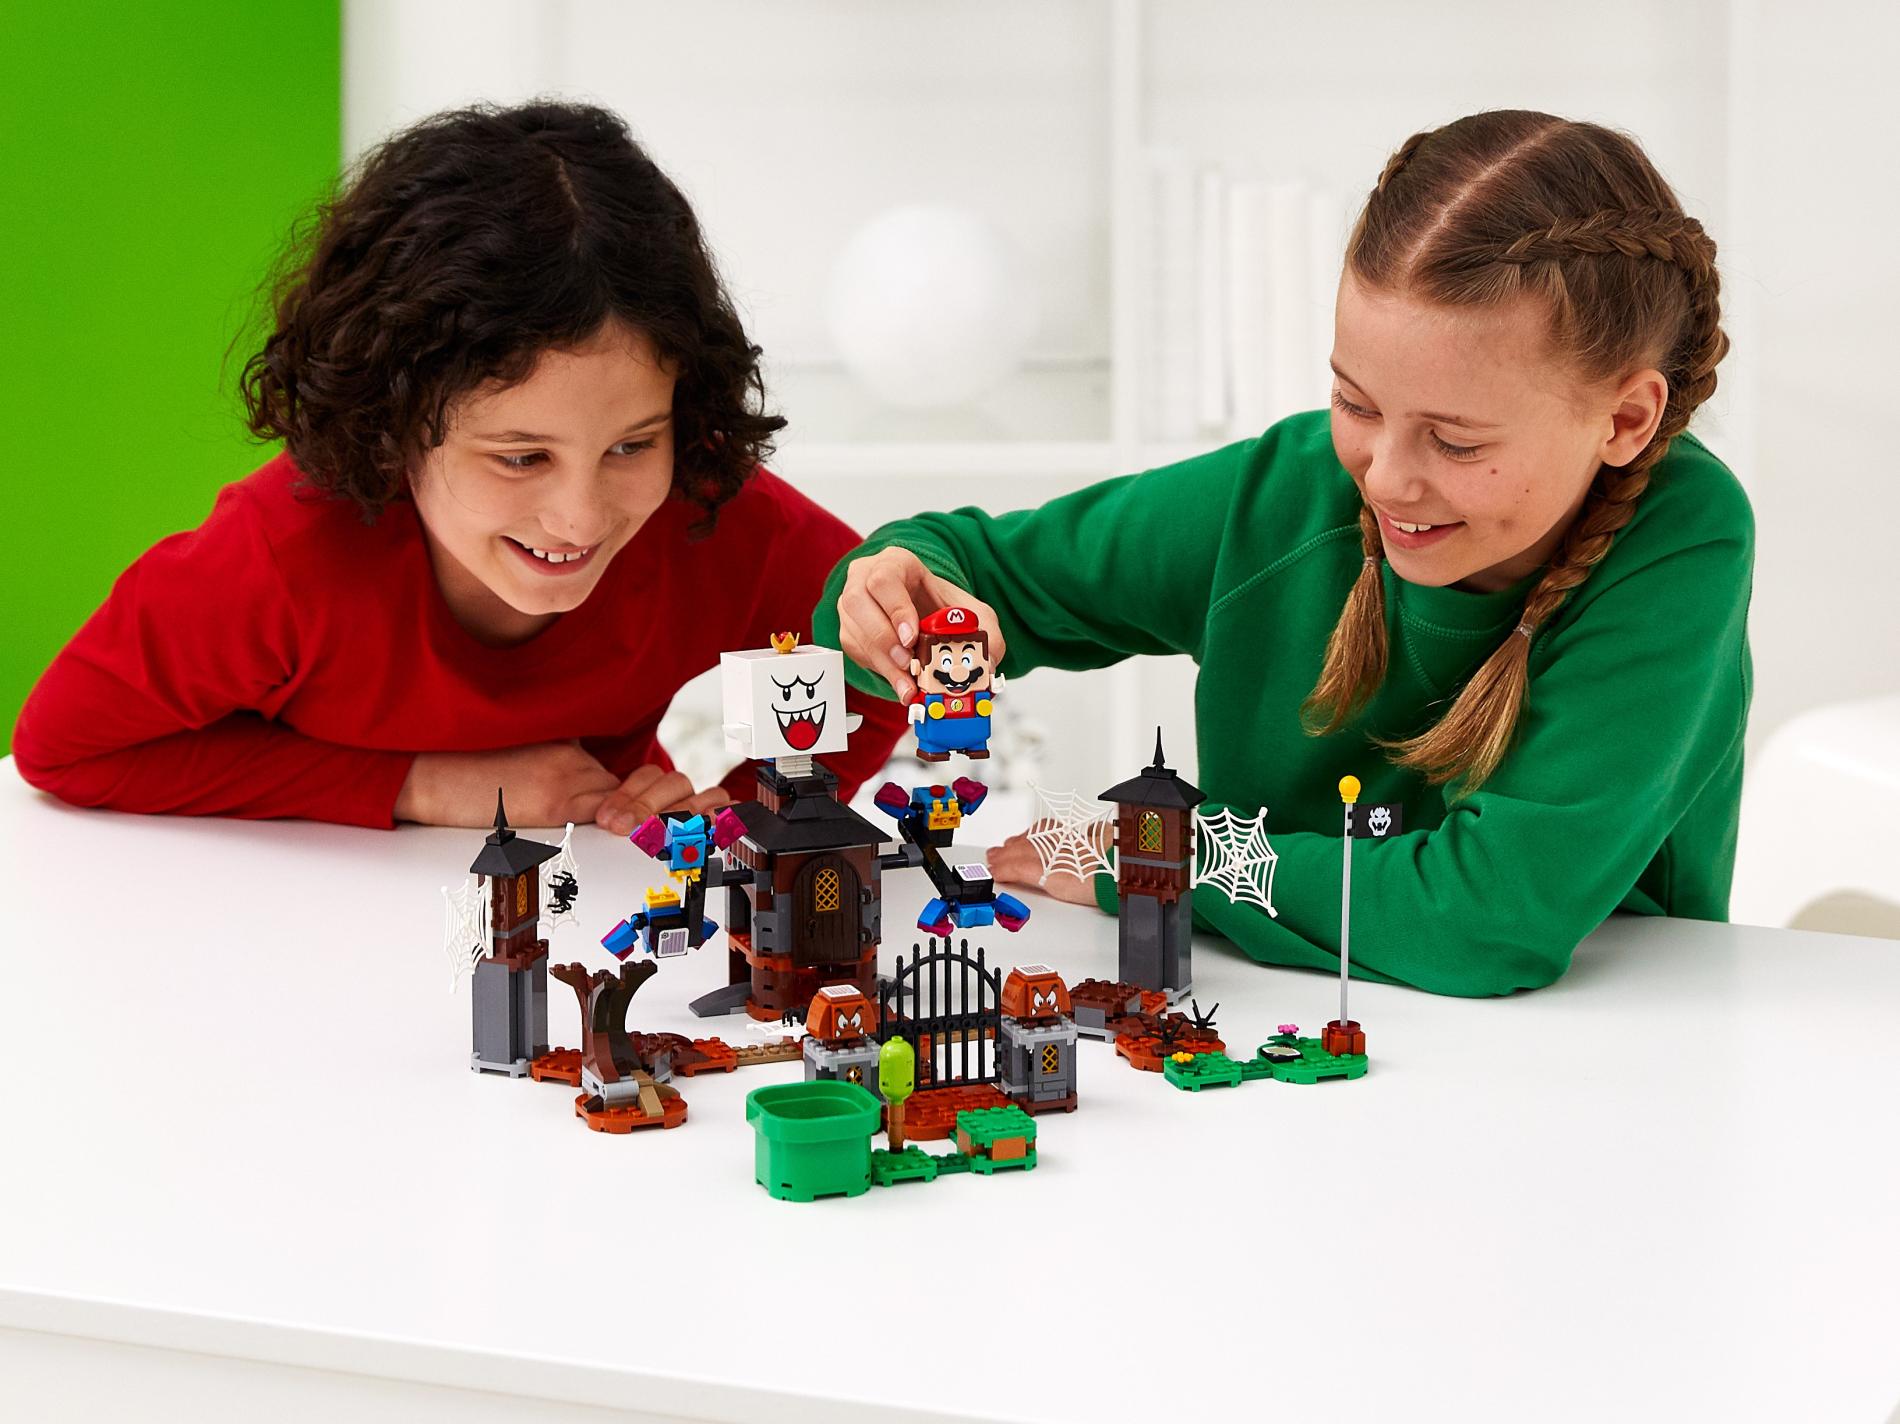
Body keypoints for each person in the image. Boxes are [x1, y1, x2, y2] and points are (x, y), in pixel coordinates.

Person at [820, 110, 1750, 996]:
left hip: (1596, 1055)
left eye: (1456, 442)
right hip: (1274, 1038)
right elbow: (963, 568)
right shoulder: (1282, 495)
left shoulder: (1682, 535)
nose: (1386, 478)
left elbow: (1487, 916)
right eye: (1356, 403)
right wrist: (886, 598)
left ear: (1626, 420)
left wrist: (1156, 858)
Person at [14, 100, 905, 831]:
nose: (581, 516)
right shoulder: (275, 560)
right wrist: (425, 786)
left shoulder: (715, 515)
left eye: (632, 445)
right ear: (395, 423)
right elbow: (66, 749)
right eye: (521, 456)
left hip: (591, 891)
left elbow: (877, 659)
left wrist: (754, 813)